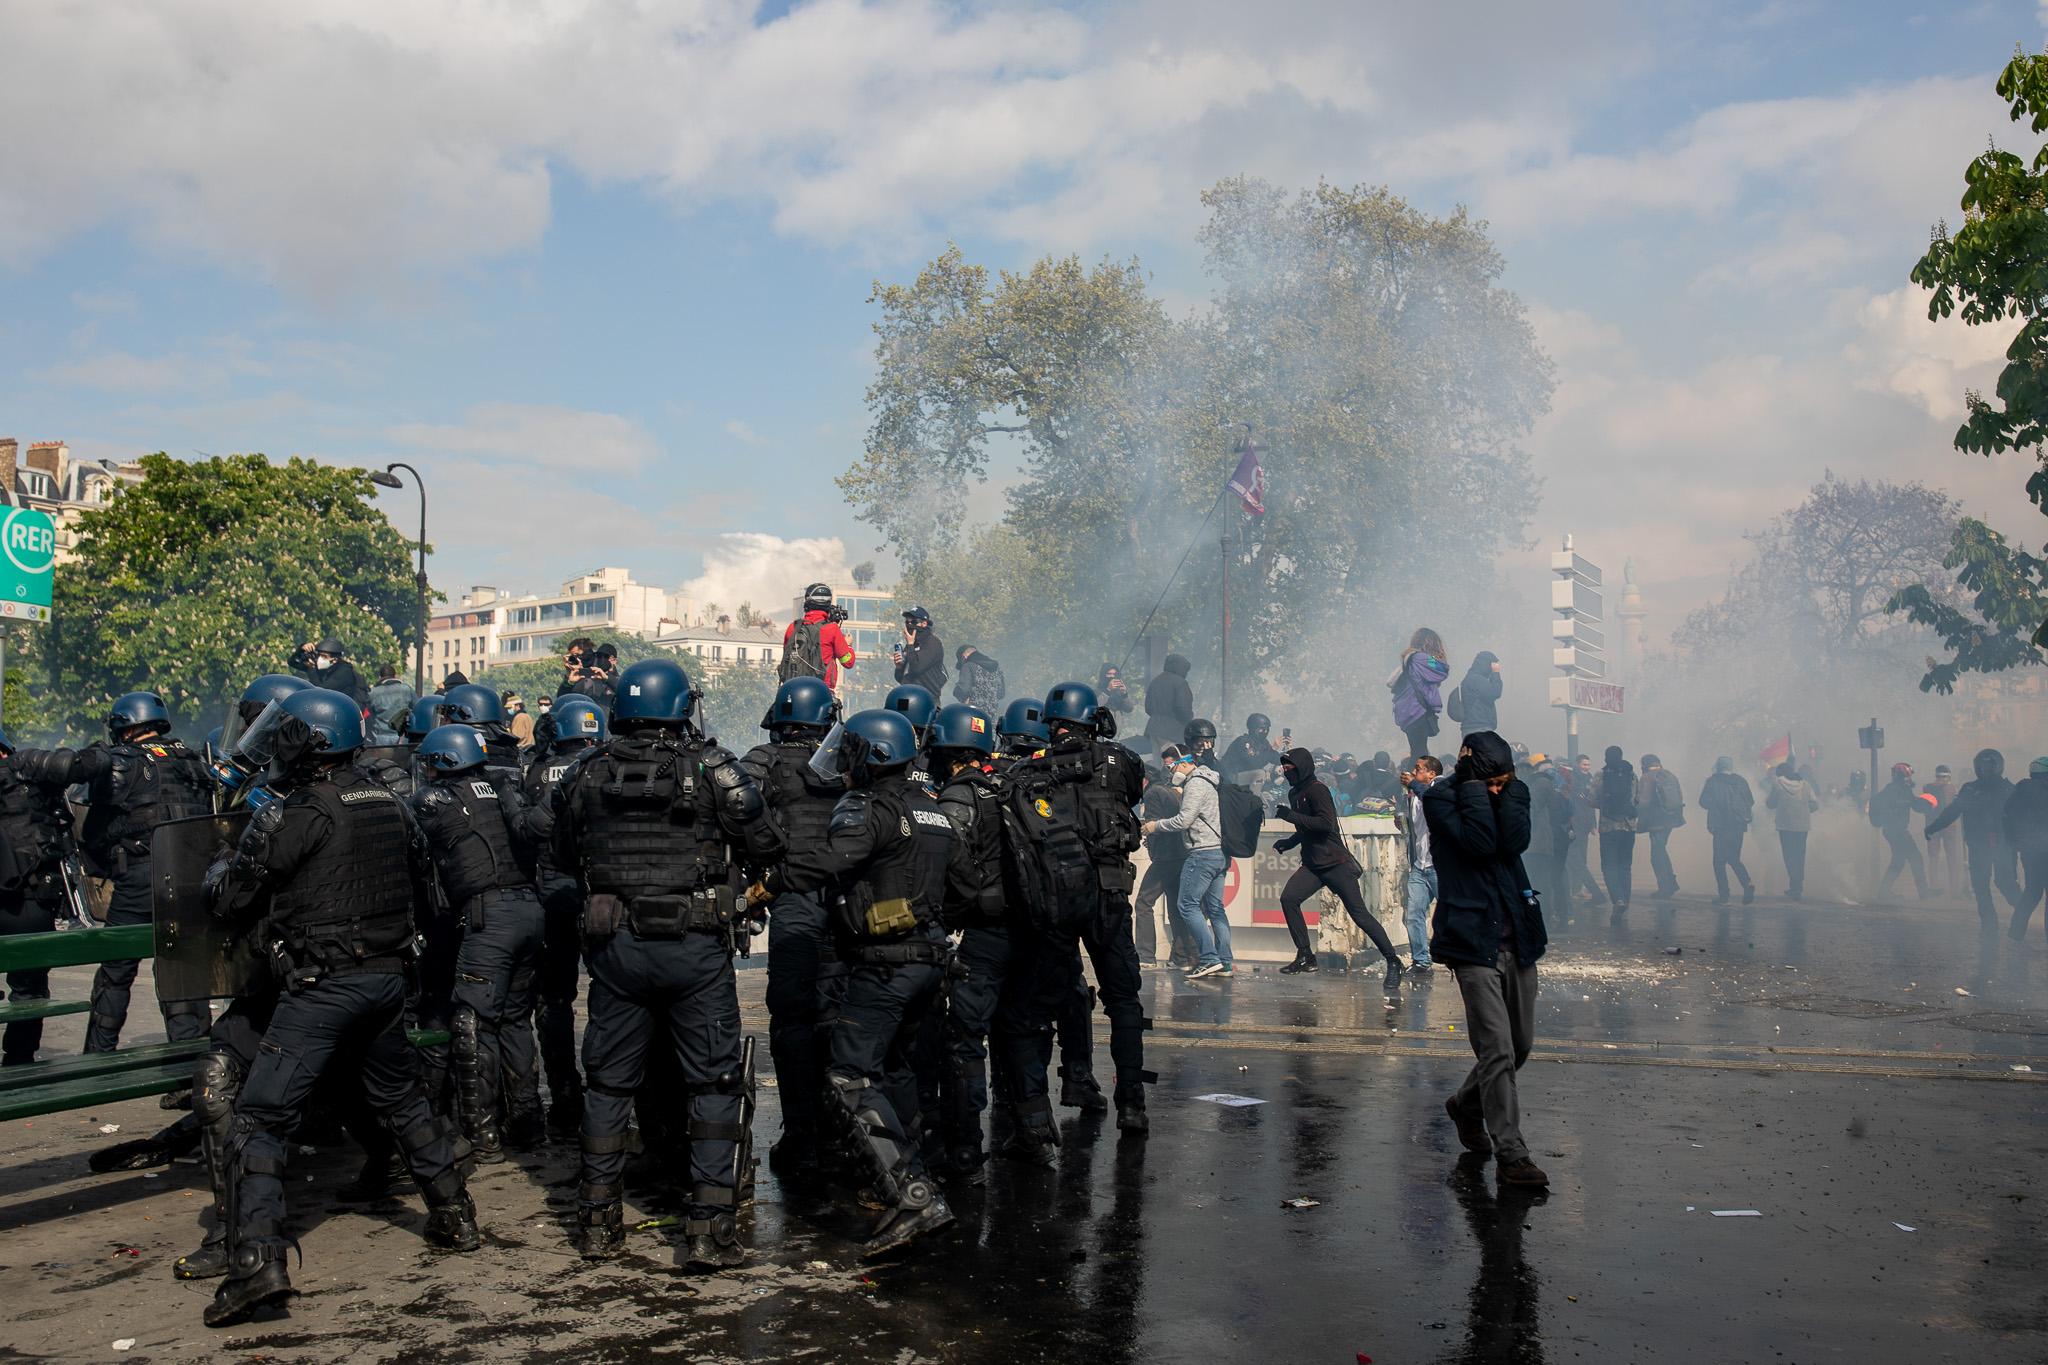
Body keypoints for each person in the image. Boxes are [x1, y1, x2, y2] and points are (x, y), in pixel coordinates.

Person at [201, 687, 476, 1327]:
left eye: (286, 733)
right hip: (385, 981)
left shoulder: (298, 812)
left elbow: (232, 900)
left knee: (260, 1120)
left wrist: (223, 867)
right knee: (402, 1099)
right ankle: (454, 1215)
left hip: (321, 986)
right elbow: (429, 891)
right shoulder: (389, 800)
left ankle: (256, 1267)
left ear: (313, 744)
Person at [549, 657, 780, 1269]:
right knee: (712, 1081)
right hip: (694, 948)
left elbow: (560, 848)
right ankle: (709, 1229)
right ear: (681, 705)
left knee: (608, 1083)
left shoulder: (585, 771)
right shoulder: (711, 767)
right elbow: (765, 842)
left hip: (615, 948)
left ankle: (597, 1224)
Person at [759, 708, 972, 1253]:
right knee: (898, 1071)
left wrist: (773, 881)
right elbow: (969, 888)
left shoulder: (869, 806)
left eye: (850, 750)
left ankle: (911, 1196)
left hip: (885, 965)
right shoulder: (936, 810)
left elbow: (834, 860)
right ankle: (919, 1174)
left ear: (873, 755)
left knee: (849, 1075)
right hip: (930, 963)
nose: (842, 760)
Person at [13, 692, 213, 1052]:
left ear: (123, 726)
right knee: (181, 972)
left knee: (116, 973)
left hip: (140, 876)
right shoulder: (192, 760)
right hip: (187, 881)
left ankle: (99, 1057)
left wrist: (22, 761)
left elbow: (75, 772)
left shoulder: (122, 760)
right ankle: (192, 1068)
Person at [1007, 681, 1150, 1141]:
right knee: (1123, 1000)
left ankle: (1034, 1115)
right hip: (1108, 893)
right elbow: (1133, 792)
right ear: (1094, 719)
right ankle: (1131, 1104)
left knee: (1039, 1002)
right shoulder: (1121, 760)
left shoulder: (1034, 768)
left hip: (1058, 894)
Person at [411, 724, 547, 1159]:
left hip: (490, 919)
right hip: (530, 910)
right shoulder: (501, 787)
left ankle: (482, 1132)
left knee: (475, 1024)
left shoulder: (439, 800)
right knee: (514, 1020)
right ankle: (527, 1123)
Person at [1425, 731, 1548, 1188]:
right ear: (1469, 773)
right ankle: (1512, 1155)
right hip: (1471, 940)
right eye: (1489, 783)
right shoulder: (1442, 799)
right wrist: (1477, 790)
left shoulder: (1514, 794)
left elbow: (1513, 841)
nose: (1498, 790)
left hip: (1518, 934)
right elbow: (1477, 843)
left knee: (1519, 1045)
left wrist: (1504, 791)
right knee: (1495, 1048)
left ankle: (1465, 1104)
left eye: (1503, 782)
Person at [737, 676, 847, 1175]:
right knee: (841, 1016)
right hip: (848, 900)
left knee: (792, 1019)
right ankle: (845, 1131)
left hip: (793, 899)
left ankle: (801, 1134)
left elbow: (736, 815)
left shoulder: (762, 761)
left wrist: (753, 884)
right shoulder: (850, 759)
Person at [927, 703, 1011, 1183]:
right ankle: (1031, 1131)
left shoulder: (960, 795)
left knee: (963, 1041)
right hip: (1022, 930)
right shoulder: (1009, 785)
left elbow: (950, 861)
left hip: (980, 931)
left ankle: (964, 1149)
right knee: (1019, 1031)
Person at [516, 695, 607, 1136]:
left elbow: (530, 828)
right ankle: (607, 1090)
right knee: (610, 995)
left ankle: (566, 1093)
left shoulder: (536, 770)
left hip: (552, 893)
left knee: (554, 1000)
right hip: (599, 893)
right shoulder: (608, 765)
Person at [1274, 748, 1408, 996]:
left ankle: (1393, 961)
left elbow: (1325, 824)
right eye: (1284, 767)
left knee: (1359, 914)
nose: (1286, 772)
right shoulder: (1295, 793)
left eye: (1290, 767)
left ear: (1302, 767)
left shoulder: (1317, 789)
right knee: (1289, 899)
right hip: (1313, 864)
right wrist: (1289, 842)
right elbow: (1307, 828)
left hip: (1335, 863)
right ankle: (1305, 955)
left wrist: (1290, 816)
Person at [0, 727, 77, 1065]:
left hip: (28, 897)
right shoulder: (32, 775)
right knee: (29, 989)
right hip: (31, 898)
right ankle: (18, 1060)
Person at [1924, 748, 2024, 936]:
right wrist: (1934, 827)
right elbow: (1953, 811)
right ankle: (1994, 924)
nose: (1986, 770)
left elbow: (2021, 817)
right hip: (1983, 845)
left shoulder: (1999, 789)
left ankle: (2017, 917)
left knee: (1999, 884)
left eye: (1989, 766)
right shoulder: (1979, 789)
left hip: (2000, 845)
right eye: (1984, 766)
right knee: (1985, 885)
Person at [1148, 747, 1228, 979]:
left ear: (1184, 763)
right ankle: (1225, 961)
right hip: (1217, 851)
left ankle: (1209, 958)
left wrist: (1156, 826)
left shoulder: (1195, 783)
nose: (1170, 771)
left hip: (1202, 853)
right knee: (1215, 909)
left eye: (1172, 766)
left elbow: (1184, 820)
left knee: (1187, 905)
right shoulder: (1210, 780)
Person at [1134, 746, 1189, 967]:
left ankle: (1146, 956)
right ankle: (1181, 957)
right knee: (1175, 907)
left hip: (1166, 856)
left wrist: (1147, 834)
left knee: (1143, 903)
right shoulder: (1171, 791)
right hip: (1181, 854)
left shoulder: (1152, 793)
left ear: (1144, 780)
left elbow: (1152, 824)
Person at [1398, 756, 1443, 978]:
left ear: (1431, 774)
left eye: (1419, 769)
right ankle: (1421, 962)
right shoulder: (1413, 795)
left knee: (1451, 913)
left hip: (1439, 865)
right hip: (1420, 864)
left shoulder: (1440, 788)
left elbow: (1435, 800)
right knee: (1414, 913)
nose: (1414, 772)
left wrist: (1413, 785)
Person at [1698, 757, 1756, 906]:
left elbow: (1703, 802)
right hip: (1738, 825)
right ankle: (1747, 883)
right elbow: (1751, 801)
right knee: (1734, 858)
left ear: (1718, 766)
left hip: (1721, 826)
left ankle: (1724, 895)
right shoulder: (1741, 781)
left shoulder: (1712, 781)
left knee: (1718, 861)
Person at [1870, 762, 1930, 901]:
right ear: (1900, 777)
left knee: (1898, 861)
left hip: (1895, 830)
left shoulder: (1903, 789)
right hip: (1896, 831)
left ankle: (1884, 892)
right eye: (1907, 777)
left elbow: (1913, 803)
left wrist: (1924, 805)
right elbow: (1905, 803)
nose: (1909, 780)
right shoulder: (1893, 790)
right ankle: (1924, 893)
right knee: (1915, 858)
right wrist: (1915, 803)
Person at [2003, 757, 2048, 943]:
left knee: (2032, 892)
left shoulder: (2019, 791)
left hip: (2028, 851)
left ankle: (2015, 933)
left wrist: (2015, 843)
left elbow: (2007, 818)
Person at [782, 584, 859, 690]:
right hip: (821, 691)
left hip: (793, 689)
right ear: (828, 604)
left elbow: (786, 657)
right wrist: (848, 645)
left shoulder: (793, 627)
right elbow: (848, 662)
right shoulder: (832, 629)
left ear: (806, 603)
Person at [1390, 628, 1450, 760]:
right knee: (1420, 754)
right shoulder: (1422, 658)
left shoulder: (1411, 658)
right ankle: (1415, 780)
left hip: (1407, 711)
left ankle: (1416, 779)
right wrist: (1438, 657)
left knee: (1418, 751)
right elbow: (1442, 670)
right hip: (1416, 711)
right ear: (1430, 643)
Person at [1594, 747, 1638, 922]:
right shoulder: (1632, 775)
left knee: (1609, 866)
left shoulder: (1601, 775)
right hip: (1629, 826)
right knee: (1625, 866)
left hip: (1608, 826)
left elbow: (1594, 798)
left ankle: (1618, 899)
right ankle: (1625, 902)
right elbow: (1637, 799)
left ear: (1606, 758)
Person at [1765, 761, 1818, 901]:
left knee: (1789, 856)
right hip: (1802, 826)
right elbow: (1815, 804)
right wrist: (1804, 811)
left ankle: (1794, 886)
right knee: (1800, 856)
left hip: (1785, 825)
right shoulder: (1805, 785)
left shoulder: (1778, 783)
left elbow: (1770, 803)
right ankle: (1798, 886)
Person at [1638, 754, 1685, 899]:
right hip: (1670, 819)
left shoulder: (1647, 777)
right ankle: (1670, 883)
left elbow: (1643, 802)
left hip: (1656, 821)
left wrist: (1638, 817)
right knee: (1661, 850)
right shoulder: (1669, 775)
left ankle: (1665, 887)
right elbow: (1679, 796)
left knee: (1656, 855)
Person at [288, 636, 368, 709]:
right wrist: (301, 649)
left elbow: (320, 690)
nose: (320, 659)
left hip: (342, 714)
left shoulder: (344, 672)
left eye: (324, 656)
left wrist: (311, 669)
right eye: (319, 655)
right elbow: (293, 662)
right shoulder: (324, 668)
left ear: (334, 660)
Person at [1142, 654, 1195, 751]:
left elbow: (1148, 708)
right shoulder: (1180, 683)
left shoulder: (1155, 681)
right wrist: (1189, 721)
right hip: (1171, 732)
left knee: (1158, 763)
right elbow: (1183, 709)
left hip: (1154, 729)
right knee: (1172, 763)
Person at [892, 606, 948, 697]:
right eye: (907, 622)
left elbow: (916, 668)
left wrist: (910, 645)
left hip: (927, 699)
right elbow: (901, 678)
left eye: (914, 622)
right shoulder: (911, 644)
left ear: (924, 623)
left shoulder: (933, 643)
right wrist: (899, 667)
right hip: (907, 696)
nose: (909, 625)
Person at [1925, 764, 1961, 895]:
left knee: (1934, 857)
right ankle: (1954, 888)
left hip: (1933, 825)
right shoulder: (1952, 788)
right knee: (1951, 857)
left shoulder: (1927, 788)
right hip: (1948, 826)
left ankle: (1935, 886)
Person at [1220, 713, 1282, 787]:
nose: (1265, 732)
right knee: (1260, 774)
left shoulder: (1263, 742)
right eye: (1261, 729)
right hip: (1231, 778)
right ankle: (1255, 797)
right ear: (1253, 728)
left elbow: (1276, 759)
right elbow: (1254, 763)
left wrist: (1287, 753)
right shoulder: (1243, 742)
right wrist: (1272, 749)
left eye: (1267, 729)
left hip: (1246, 777)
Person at [1453, 651, 1502, 736]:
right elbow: (1495, 692)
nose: (1494, 668)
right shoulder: (1476, 679)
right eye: (1493, 665)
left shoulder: (1471, 678)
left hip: (1473, 728)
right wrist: (1496, 673)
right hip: (1479, 728)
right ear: (1486, 664)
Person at [366, 663, 415, 745]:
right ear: (394, 675)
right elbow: (416, 708)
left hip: (381, 737)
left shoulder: (373, 692)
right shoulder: (406, 689)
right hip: (402, 737)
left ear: (380, 677)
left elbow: (369, 715)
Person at [951, 645, 1006, 714]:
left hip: (974, 715)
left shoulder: (968, 666)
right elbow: (1001, 694)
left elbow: (963, 690)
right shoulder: (996, 667)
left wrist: (957, 692)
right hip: (991, 717)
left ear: (963, 656)